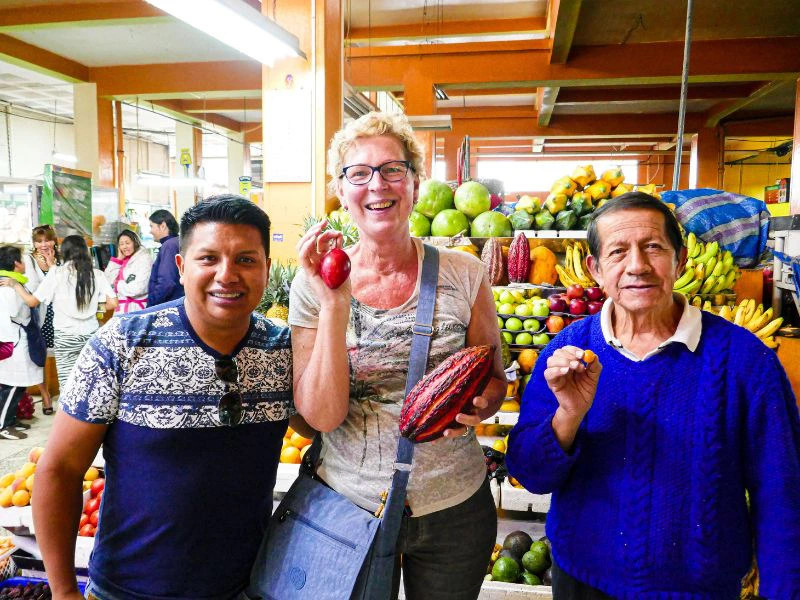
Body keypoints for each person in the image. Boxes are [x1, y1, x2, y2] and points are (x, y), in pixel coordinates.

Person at [506, 192, 800, 599]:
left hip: (702, 589)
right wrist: (568, 416)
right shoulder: (566, 352)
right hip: (582, 582)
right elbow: (532, 476)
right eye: (618, 251)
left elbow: (782, 494)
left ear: (679, 260)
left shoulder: (745, 361)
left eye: (653, 248)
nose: (637, 266)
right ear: (595, 269)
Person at [289, 112, 507, 600]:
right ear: (341, 191)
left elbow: (493, 378)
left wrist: (480, 406)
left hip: (453, 504)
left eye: (392, 169)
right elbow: (321, 416)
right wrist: (334, 303)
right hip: (349, 504)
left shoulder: (464, 272)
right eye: (358, 173)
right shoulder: (312, 283)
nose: (376, 185)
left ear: (414, 181)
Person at [31, 195, 293, 600]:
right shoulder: (121, 343)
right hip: (128, 590)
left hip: (246, 588)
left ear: (266, 269)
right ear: (181, 267)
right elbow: (59, 470)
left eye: (246, 260)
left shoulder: (283, 350)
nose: (227, 275)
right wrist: (64, 592)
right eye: (208, 258)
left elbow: (322, 424)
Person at [3, 236, 117, 390]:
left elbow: (32, 302)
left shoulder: (57, 274)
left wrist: (16, 285)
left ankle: (67, 412)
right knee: (89, 380)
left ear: (64, 252)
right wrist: (90, 305)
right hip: (90, 333)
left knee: (67, 383)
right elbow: (112, 303)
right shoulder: (97, 274)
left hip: (65, 336)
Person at [0, 246, 43, 440]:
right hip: (13, 339)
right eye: (23, 260)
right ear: (16, 264)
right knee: (12, 384)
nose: (26, 264)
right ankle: (3, 425)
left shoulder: (15, 282)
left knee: (18, 382)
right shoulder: (7, 286)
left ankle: (9, 419)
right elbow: (13, 311)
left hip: (18, 337)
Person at [23, 225, 59, 414]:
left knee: (62, 355)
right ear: (34, 243)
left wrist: (53, 266)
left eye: (47, 240)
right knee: (40, 358)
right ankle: (45, 396)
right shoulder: (28, 260)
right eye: (39, 241)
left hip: (60, 313)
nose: (43, 244)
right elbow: (36, 288)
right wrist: (52, 270)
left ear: (54, 240)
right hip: (39, 315)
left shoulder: (61, 259)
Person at [104, 229, 153, 314]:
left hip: (135, 310)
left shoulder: (144, 259)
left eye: (127, 243)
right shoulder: (125, 259)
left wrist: (116, 284)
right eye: (121, 244)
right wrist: (118, 259)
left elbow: (137, 289)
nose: (124, 247)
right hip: (122, 310)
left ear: (135, 242)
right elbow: (107, 280)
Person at [147, 209, 184, 307]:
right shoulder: (176, 242)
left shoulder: (169, 246)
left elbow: (166, 283)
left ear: (162, 226)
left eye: (152, 226)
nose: (150, 231)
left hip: (168, 305)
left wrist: (151, 305)